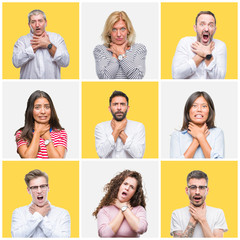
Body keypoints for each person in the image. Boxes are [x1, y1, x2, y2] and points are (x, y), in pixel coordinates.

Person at [11, 169, 71, 238]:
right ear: (28, 190)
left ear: (48, 188)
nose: (39, 191)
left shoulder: (62, 213)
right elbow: (16, 237)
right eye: (35, 187)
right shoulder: (19, 212)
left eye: (42, 186)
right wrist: (38, 215)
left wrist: (41, 217)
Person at [12, 9, 69, 79]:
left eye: (40, 21)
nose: (37, 25)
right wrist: (34, 47)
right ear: (29, 25)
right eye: (33, 22)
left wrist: (49, 45)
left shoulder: (57, 38)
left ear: (46, 23)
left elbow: (65, 62)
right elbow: (16, 63)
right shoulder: (21, 41)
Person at [170, 170, 228, 237]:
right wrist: (192, 221)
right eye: (193, 187)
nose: (197, 192)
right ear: (187, 190)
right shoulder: (177, 214)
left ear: (207, 190)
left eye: (201, 187)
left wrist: (202, 219)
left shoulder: (218, 213)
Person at [172, 11, 227, 79]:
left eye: (210, 25)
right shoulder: (185, 42)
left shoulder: (220, 45)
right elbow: (176, 75)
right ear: (195, 28)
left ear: (215, 29)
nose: (206, 29)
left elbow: (219, 78)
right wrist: (202, 54)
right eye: (202, 24)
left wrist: (207, 56)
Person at [93, 170, 148, 237]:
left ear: (134, 193)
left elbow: (140, 228)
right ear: (118, 186)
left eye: (132, 187)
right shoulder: (105, 210)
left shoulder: (139, 209)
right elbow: (105, 235)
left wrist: (124, 208)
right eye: (125, 184)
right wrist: (123, 209)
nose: (127, 188)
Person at [170, 91, 224, 159]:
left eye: (204, 106)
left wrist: (200, 137)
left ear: (209, 110)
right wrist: (196, 140)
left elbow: (218, 164)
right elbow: (176, 166)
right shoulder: (177, 136)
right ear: (188, 110)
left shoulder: (217, 133)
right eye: (194, 106)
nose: (199, 109)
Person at [93, 11, 147, 79]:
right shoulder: (100, 50)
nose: (118, 34)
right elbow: (105, 79)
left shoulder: (139, 49)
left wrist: (121, 54)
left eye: (122, 29)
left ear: (128, 30)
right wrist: (115, 55)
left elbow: (137, 78)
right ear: (109, 32)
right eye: (114, 29)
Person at [15, 90, 67, 159]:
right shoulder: (21, 134)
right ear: (31, 110)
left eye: (47, 107)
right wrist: (37, 132)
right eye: (37, 107)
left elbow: (57, 160)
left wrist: (47, 137)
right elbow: (28, 159)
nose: (43, 111)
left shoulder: (60, 133)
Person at [95, 90, 145, 158]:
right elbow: (101, 154)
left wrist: (120, 132)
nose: (119, 108)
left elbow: (139, 155)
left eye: (122, 104)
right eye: (115, 104)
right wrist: (116, 131)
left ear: (127, 108)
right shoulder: (100, 127)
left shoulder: (138, 126)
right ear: (110, 109)